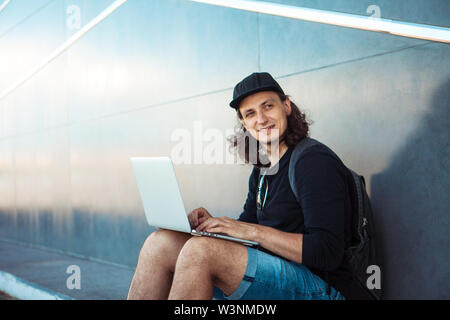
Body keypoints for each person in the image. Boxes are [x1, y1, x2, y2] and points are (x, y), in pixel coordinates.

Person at [127, 72, 355, 300]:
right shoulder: (263, 169)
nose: (261, 119)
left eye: (268, 106)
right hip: (273, 272)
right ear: (244, 123)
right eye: (250, 113)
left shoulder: (313, 161)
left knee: (201, 251)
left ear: (286, 106)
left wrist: (253, 232)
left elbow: (328, 251)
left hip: (322, 287)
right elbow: (246, 229)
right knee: (160, 243)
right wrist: (214, 226)